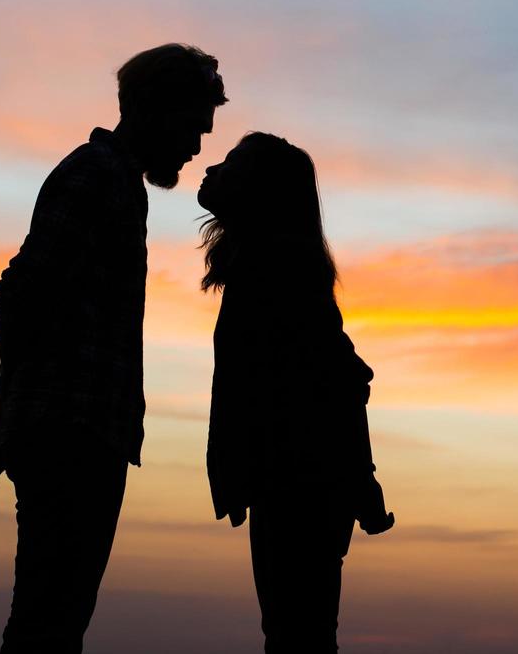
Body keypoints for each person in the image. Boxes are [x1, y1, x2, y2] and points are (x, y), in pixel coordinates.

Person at [0, 43, 227, 654]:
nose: (195, 145)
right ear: (156, 109)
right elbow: (22, 293)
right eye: (192, 126)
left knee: (55, 618)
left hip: (81, 428)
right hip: (69, 429)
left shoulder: (116, 182)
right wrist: (13, 414)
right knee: (48, 622)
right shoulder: (95, 175)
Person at [198, 132, 395, 654]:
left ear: (260, 190)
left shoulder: (277, 268)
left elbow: (340, 380)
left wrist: (361, 481)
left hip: (301, 484)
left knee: (296, 636)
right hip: (292, 482)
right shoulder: (269, 265)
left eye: (232, 164)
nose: (211, 169)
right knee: (296, 633)